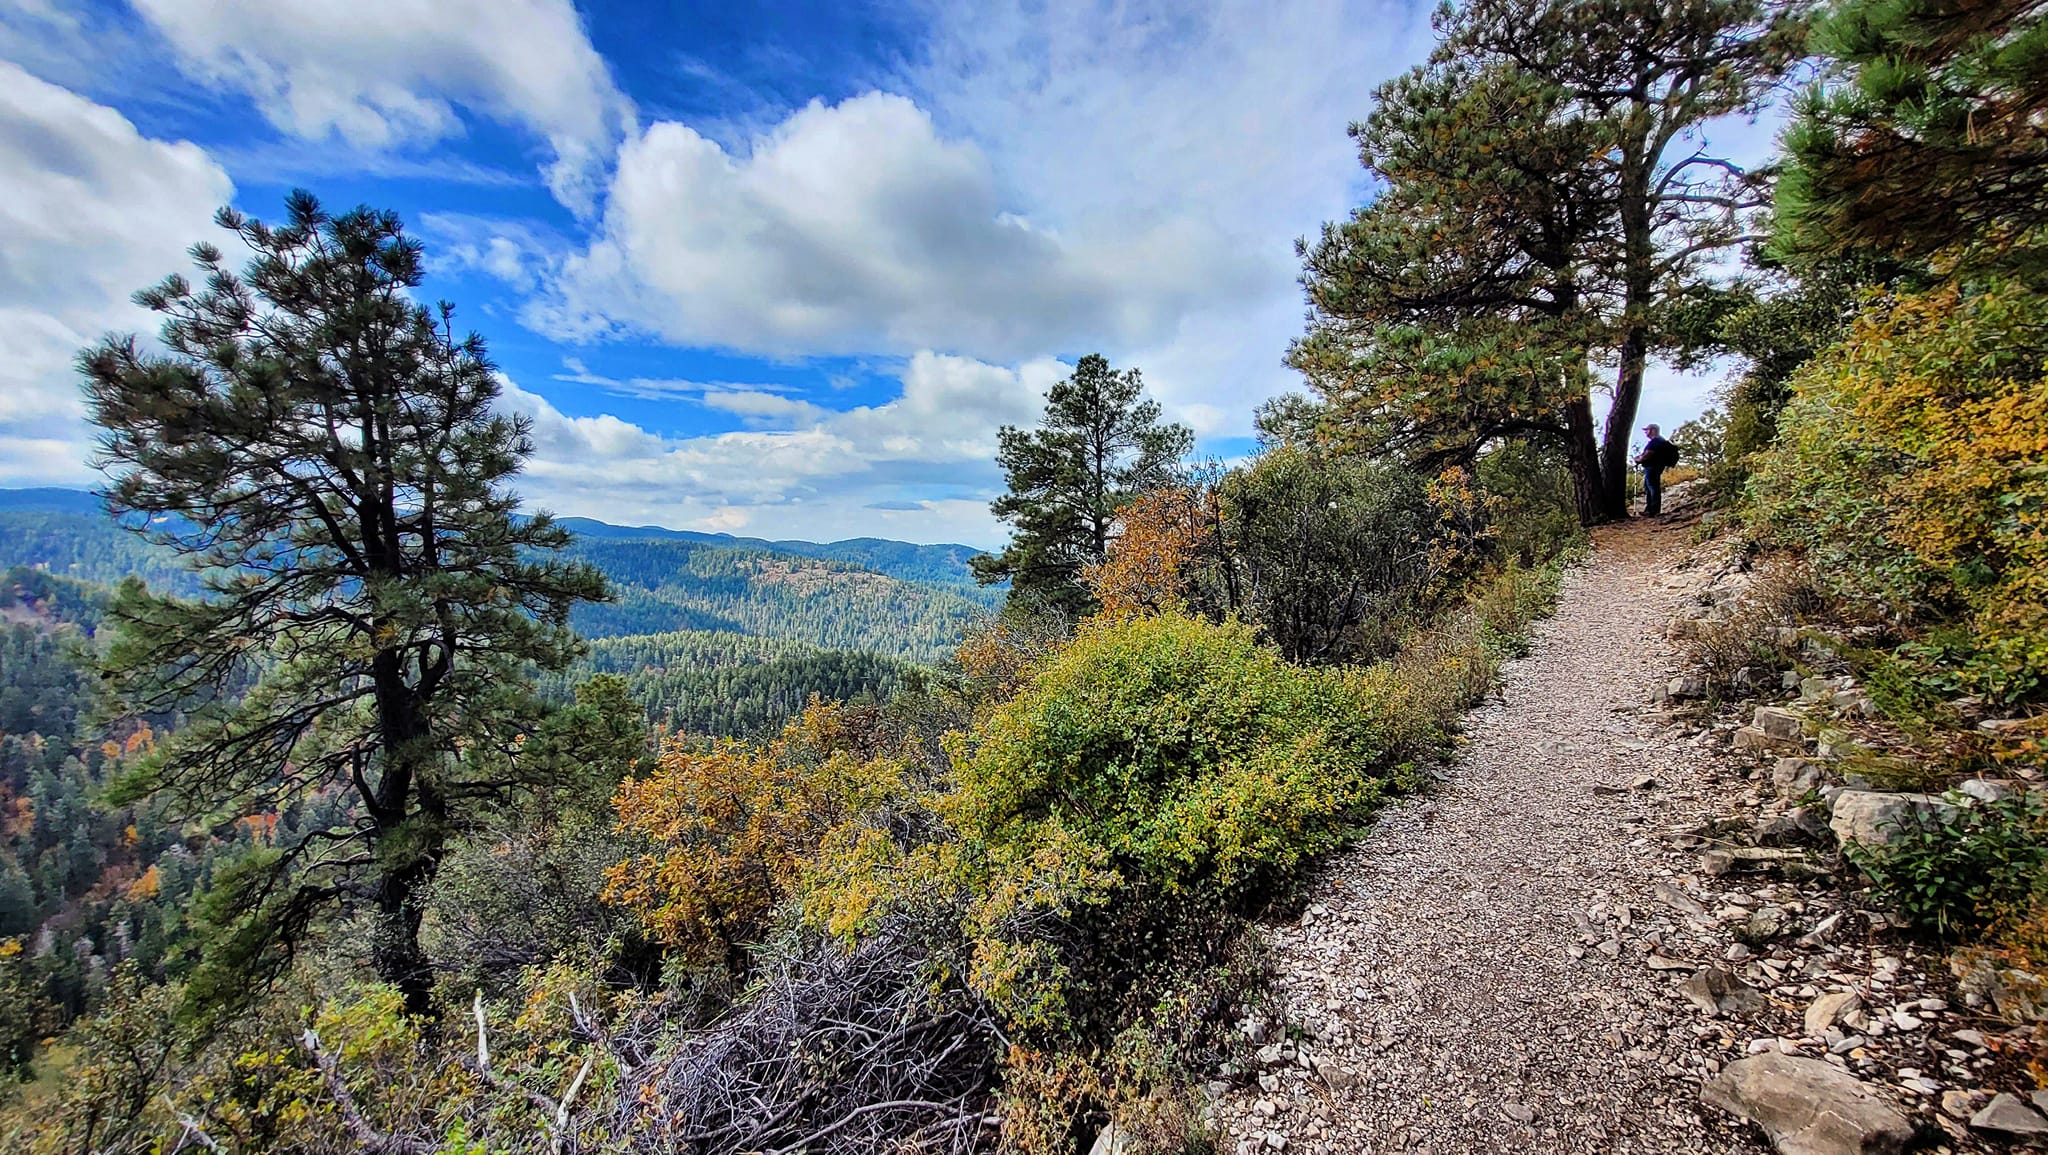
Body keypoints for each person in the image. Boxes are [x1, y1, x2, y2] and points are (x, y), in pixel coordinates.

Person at [1634, 424, 1676, 516]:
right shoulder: (1660, 440)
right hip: (1655, 467)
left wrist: (1639, 459)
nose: (1645, 432)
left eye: (1647, 430)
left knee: (1652, 487)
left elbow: (1648, 454)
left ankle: (1653, 510)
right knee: (1649, 488)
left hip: (1652, 467)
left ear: (1653, 430)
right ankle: (1649, 509)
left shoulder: (1656, 441)